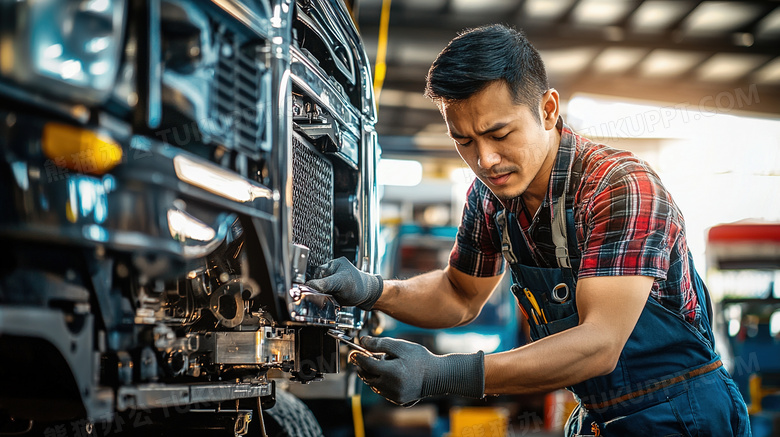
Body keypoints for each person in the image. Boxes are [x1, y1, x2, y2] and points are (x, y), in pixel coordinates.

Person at [306, 24, 751, 436]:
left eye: (499, 133)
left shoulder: (619, 187)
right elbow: (459, 296)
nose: (485, 160)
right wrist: (372, 290)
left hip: (682, 415)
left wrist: (442, 373)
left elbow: (599, 344)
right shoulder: (491, 199)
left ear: (548, 109)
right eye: (464, 141)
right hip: (599, 417)